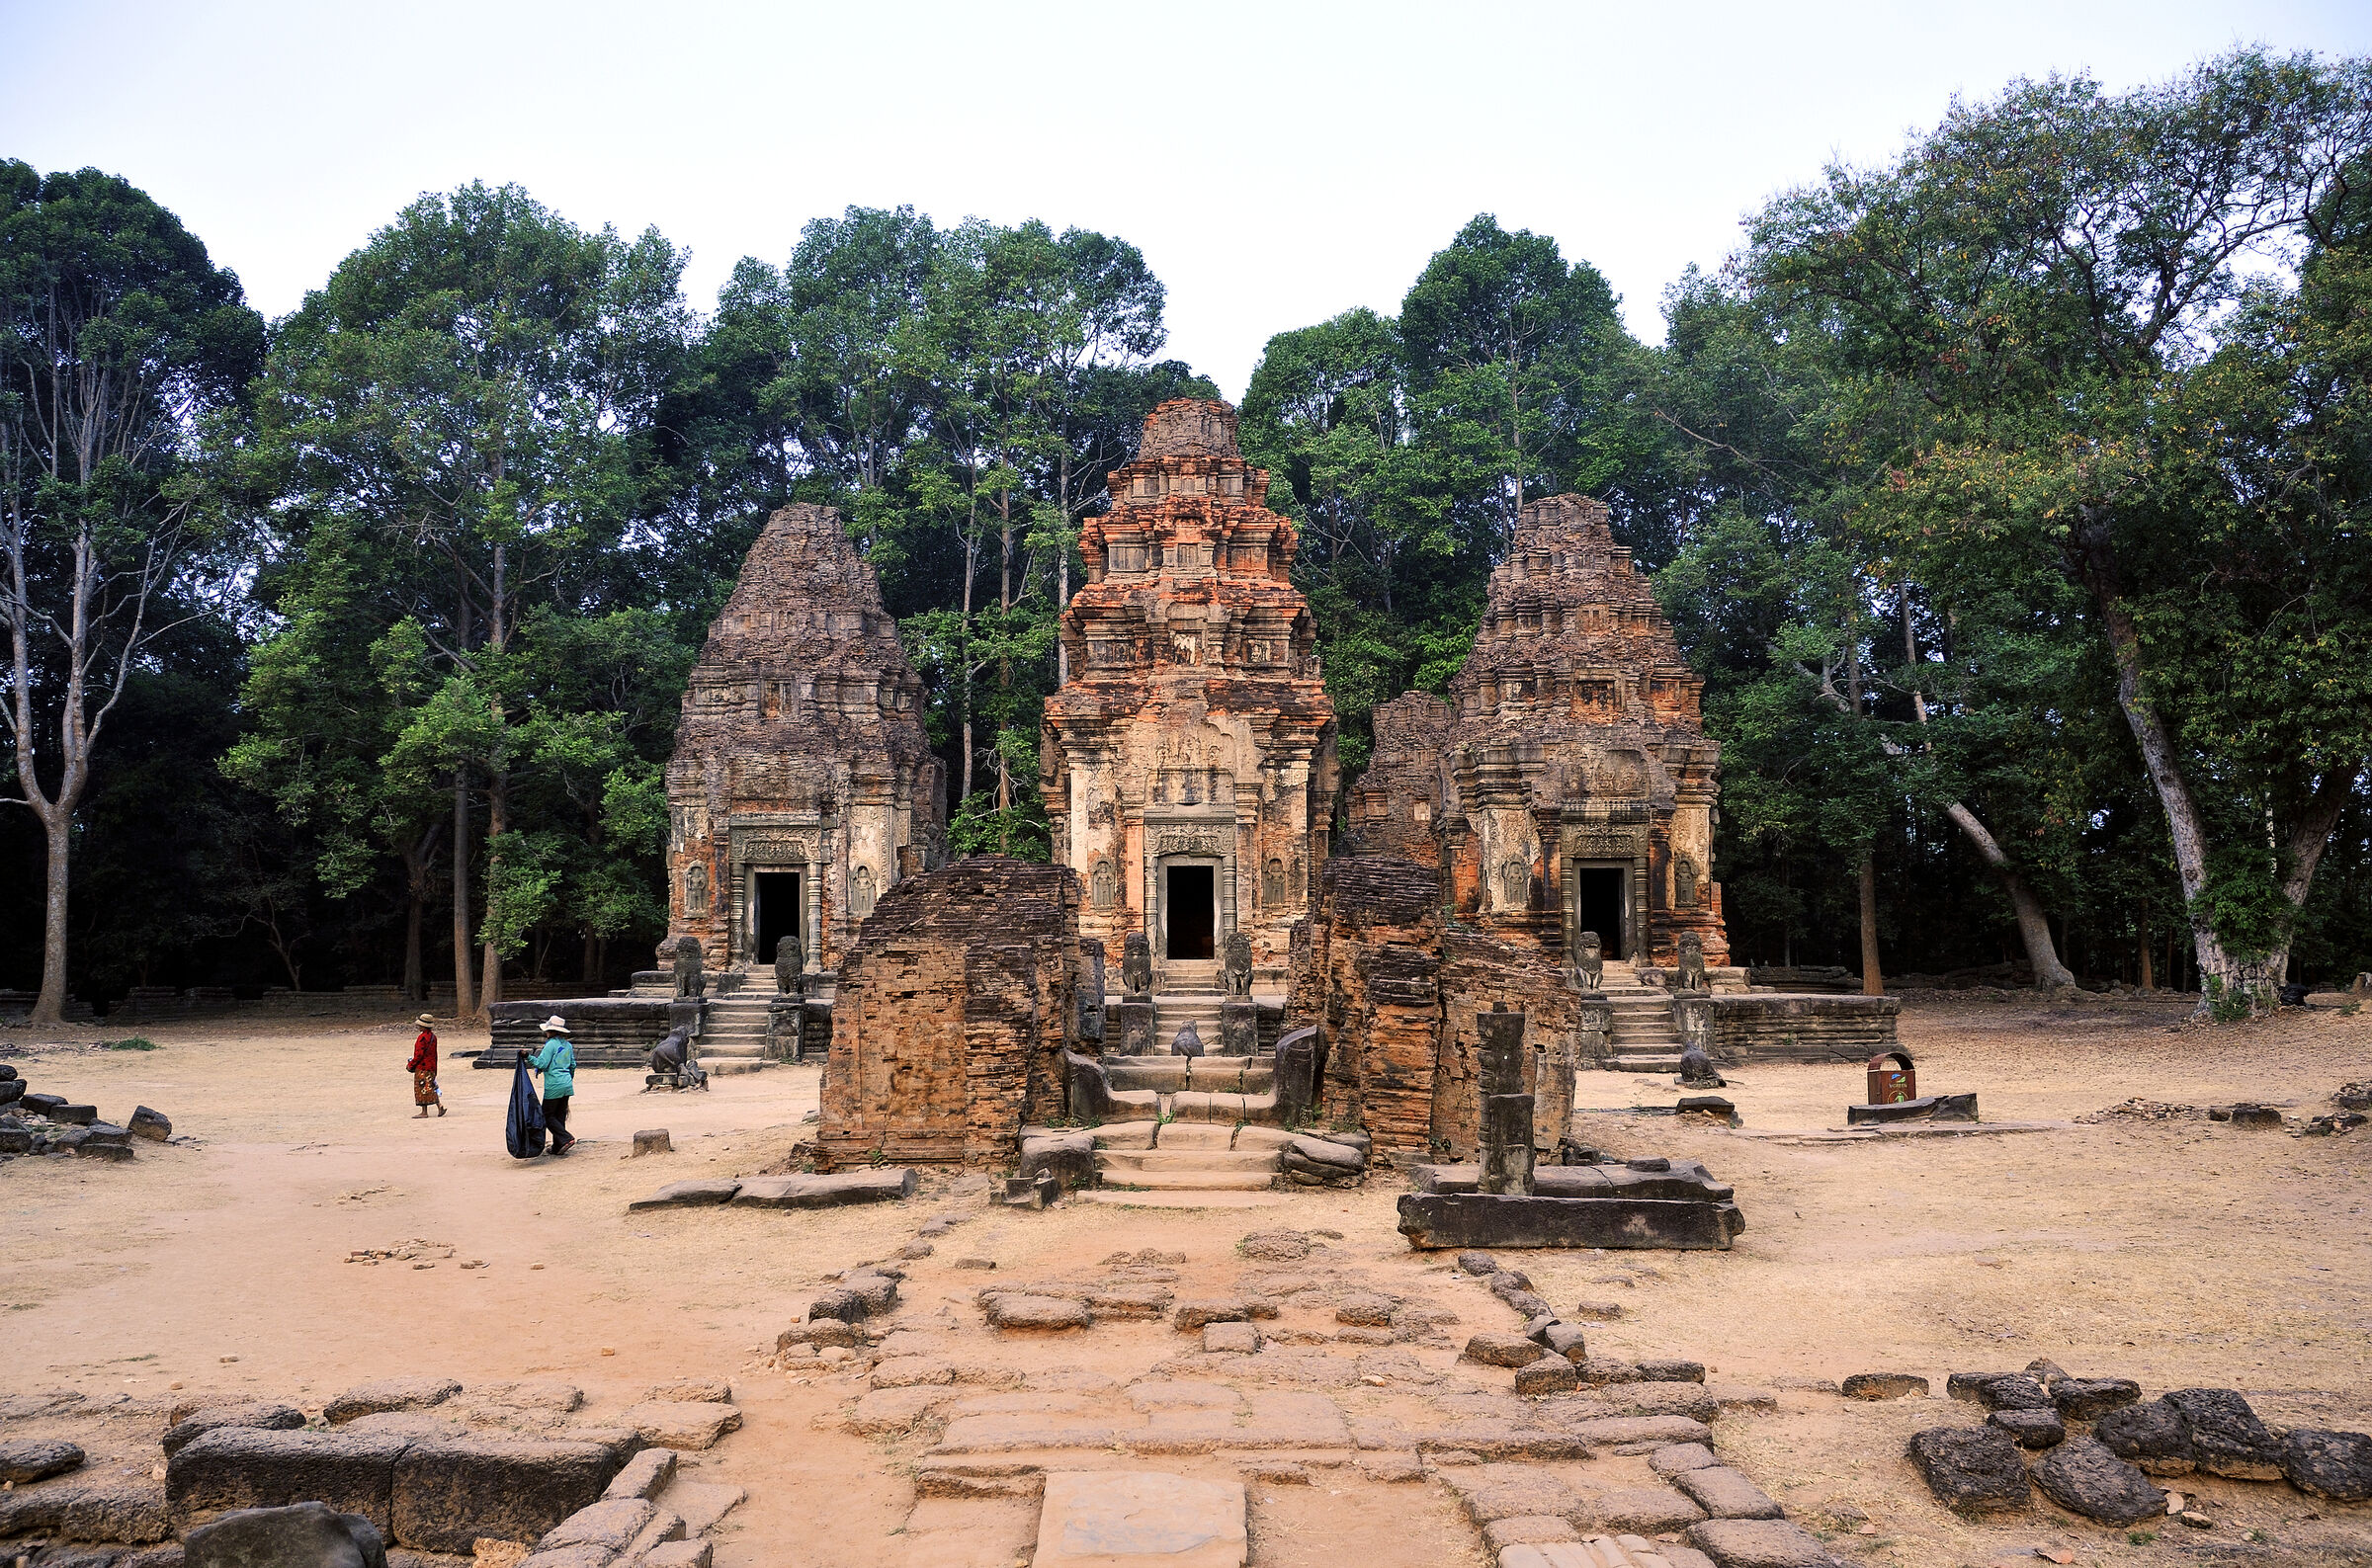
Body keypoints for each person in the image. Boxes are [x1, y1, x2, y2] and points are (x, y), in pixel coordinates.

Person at [526, 1015, 577, 1155]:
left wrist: (527, 1057)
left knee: (546, 1115)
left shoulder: (550, 1045)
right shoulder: (568, 1045)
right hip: (567, 1084)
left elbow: (542, 1063)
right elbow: (573, 1065)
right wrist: (568, 1080)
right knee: (559, 1116)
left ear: (551, 1031)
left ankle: (566, 1138)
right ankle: (557, 1146)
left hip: (554, 1085)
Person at [407, 1014, 447, 1117]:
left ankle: (424, 1112)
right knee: (431, 1087)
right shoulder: (433, 1037)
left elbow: (419, 1055)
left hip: (422, 1067)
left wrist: (411, 1065)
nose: (418, 1026)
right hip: (431, 1067)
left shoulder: (422, 1038)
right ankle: (439, 1106)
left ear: (424, 1026)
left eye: (420, 1025)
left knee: (421, 1089)